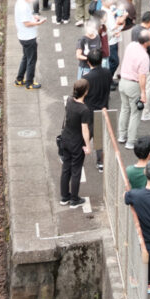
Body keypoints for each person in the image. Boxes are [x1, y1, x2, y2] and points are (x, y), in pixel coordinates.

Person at [118, 29, 150, 149]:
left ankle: (122, 136)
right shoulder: (144, 57)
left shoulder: (131, 45)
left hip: (123, 81)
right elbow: (142, 77)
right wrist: (143, 93)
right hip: (133, 85)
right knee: (135, 113)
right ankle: (131, 141)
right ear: (147, 42)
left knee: (124, 109)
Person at [59, 79, 91, 208]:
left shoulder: (69, 101)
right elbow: (85, 130)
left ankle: (64, 196)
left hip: (66, 139)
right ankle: (74, 199)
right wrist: (88, 146)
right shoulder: (84, 110)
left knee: (66, 168)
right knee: (76, 170)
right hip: (77, 143)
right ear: (86, 92)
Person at [83, 48, 112, 172]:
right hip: (103, 109)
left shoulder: (87, 78)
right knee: (100, 138)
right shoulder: (107, 73)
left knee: (85, 136)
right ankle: (100, 162)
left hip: (89, 111)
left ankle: (77, 156)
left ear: (88, 62)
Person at [14, 0, 45, 89]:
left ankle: (19, 79)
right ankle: (29, 83)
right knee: (31, 60)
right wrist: (38, 23)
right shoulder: (23, 6)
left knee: (26, 58)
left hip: (23, 36)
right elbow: (26, 23)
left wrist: (34, 17)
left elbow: (28, 17)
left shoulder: (21, 1)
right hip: (28, 37)